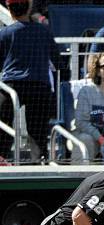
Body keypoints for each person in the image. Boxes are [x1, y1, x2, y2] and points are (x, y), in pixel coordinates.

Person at [0, 0, 62, 162]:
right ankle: (39, 161)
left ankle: (1, 159)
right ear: (29, 7)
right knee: (38, 131)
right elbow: (58, 61)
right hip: (39, 86)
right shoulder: (44, 32)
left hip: (11, 86)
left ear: (9, 8)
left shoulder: (4, 33)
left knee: (3, 127)